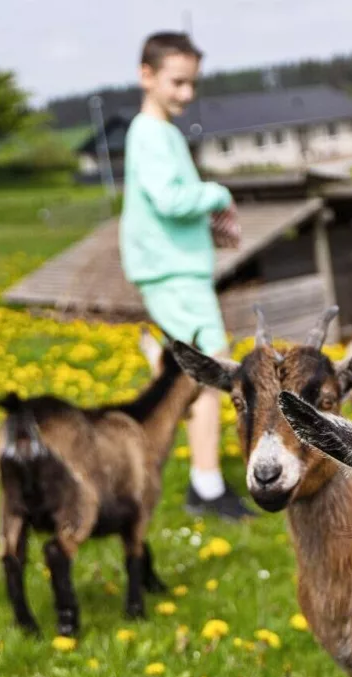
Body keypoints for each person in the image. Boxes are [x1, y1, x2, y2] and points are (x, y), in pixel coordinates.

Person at [120, 31, 250, 520]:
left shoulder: (163, 134)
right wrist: (216, 193)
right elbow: (170, 200)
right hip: (173, 272)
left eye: (192, 83)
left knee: (194, 371)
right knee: (212, 372)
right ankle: (206, 487)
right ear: (146, 75)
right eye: (177, 82)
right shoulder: (148, 133)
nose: (186, 94)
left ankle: (192, 475)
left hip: (179, 270)